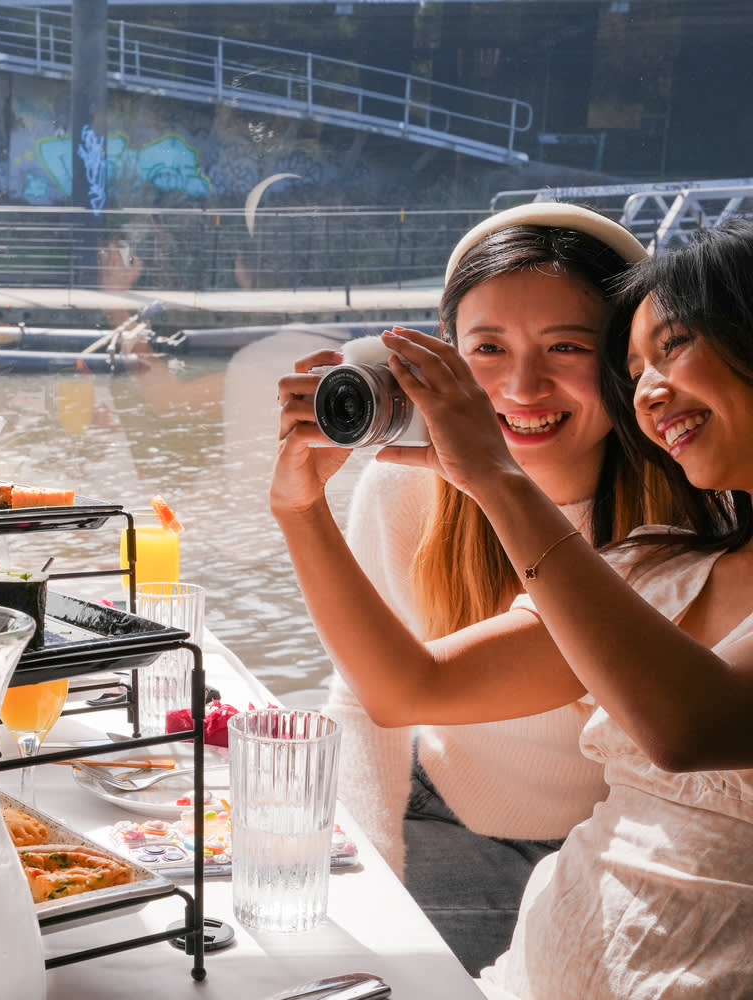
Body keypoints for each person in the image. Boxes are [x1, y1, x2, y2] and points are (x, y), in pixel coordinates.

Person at [272, 220, 753, 999]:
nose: (652, 390)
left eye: (671, 349)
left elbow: (687, 729)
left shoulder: (671, 531)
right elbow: (400, 690)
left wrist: (495, 479)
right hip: (524, 932)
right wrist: (299, 508)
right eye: (639, 367)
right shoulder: (661, 565)